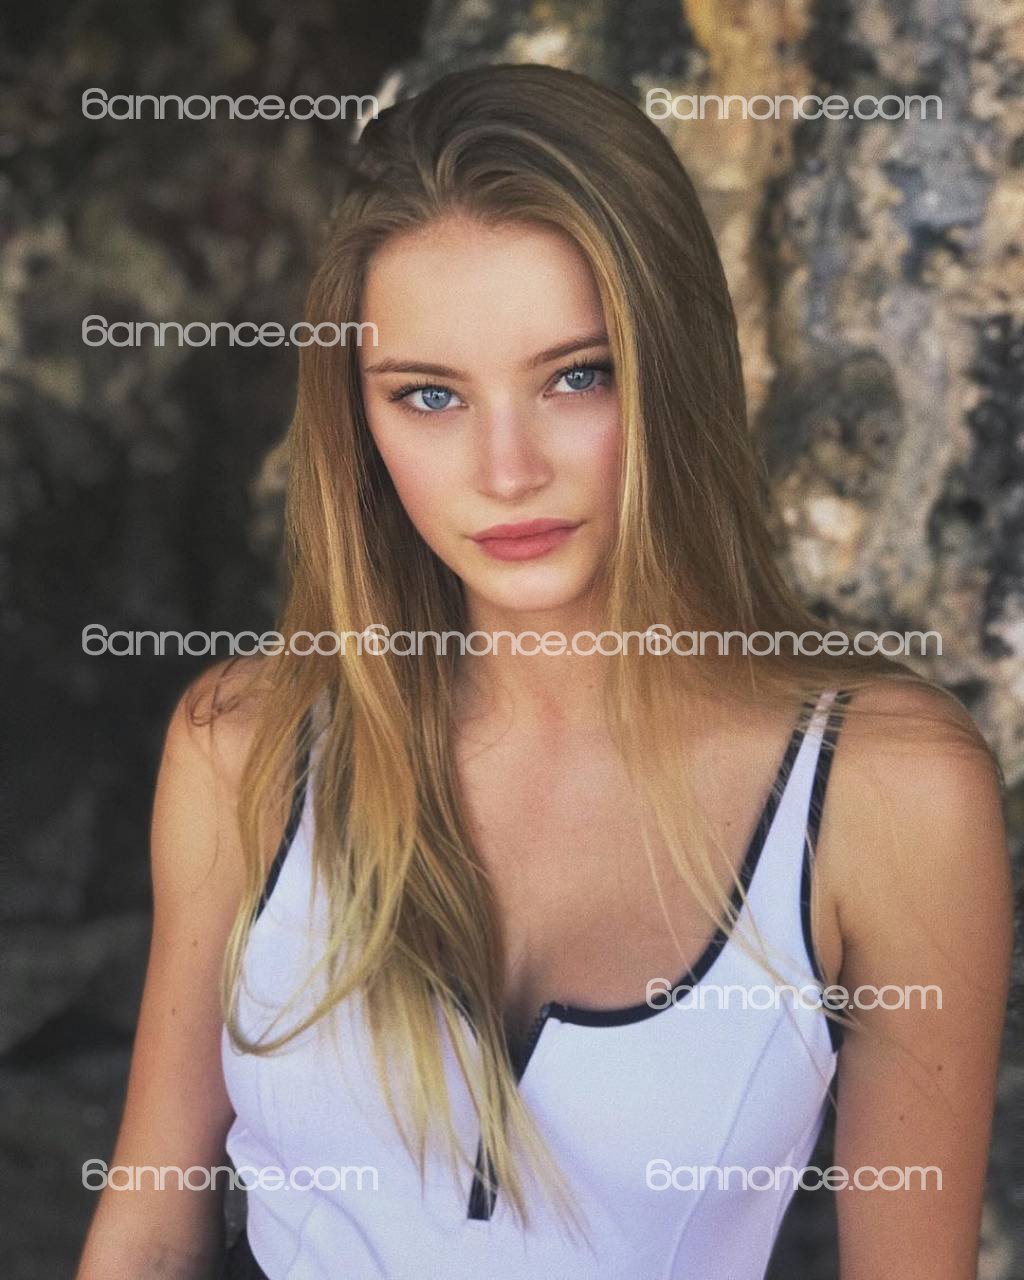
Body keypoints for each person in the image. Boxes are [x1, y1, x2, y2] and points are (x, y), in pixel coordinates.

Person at [76, 64, 1013, 1280]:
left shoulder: (888, 792)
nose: (506, 469)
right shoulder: (244, 744)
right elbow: (151, 1227)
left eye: (577, 374)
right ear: (358, 420)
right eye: (429, 395)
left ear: (673, 369)